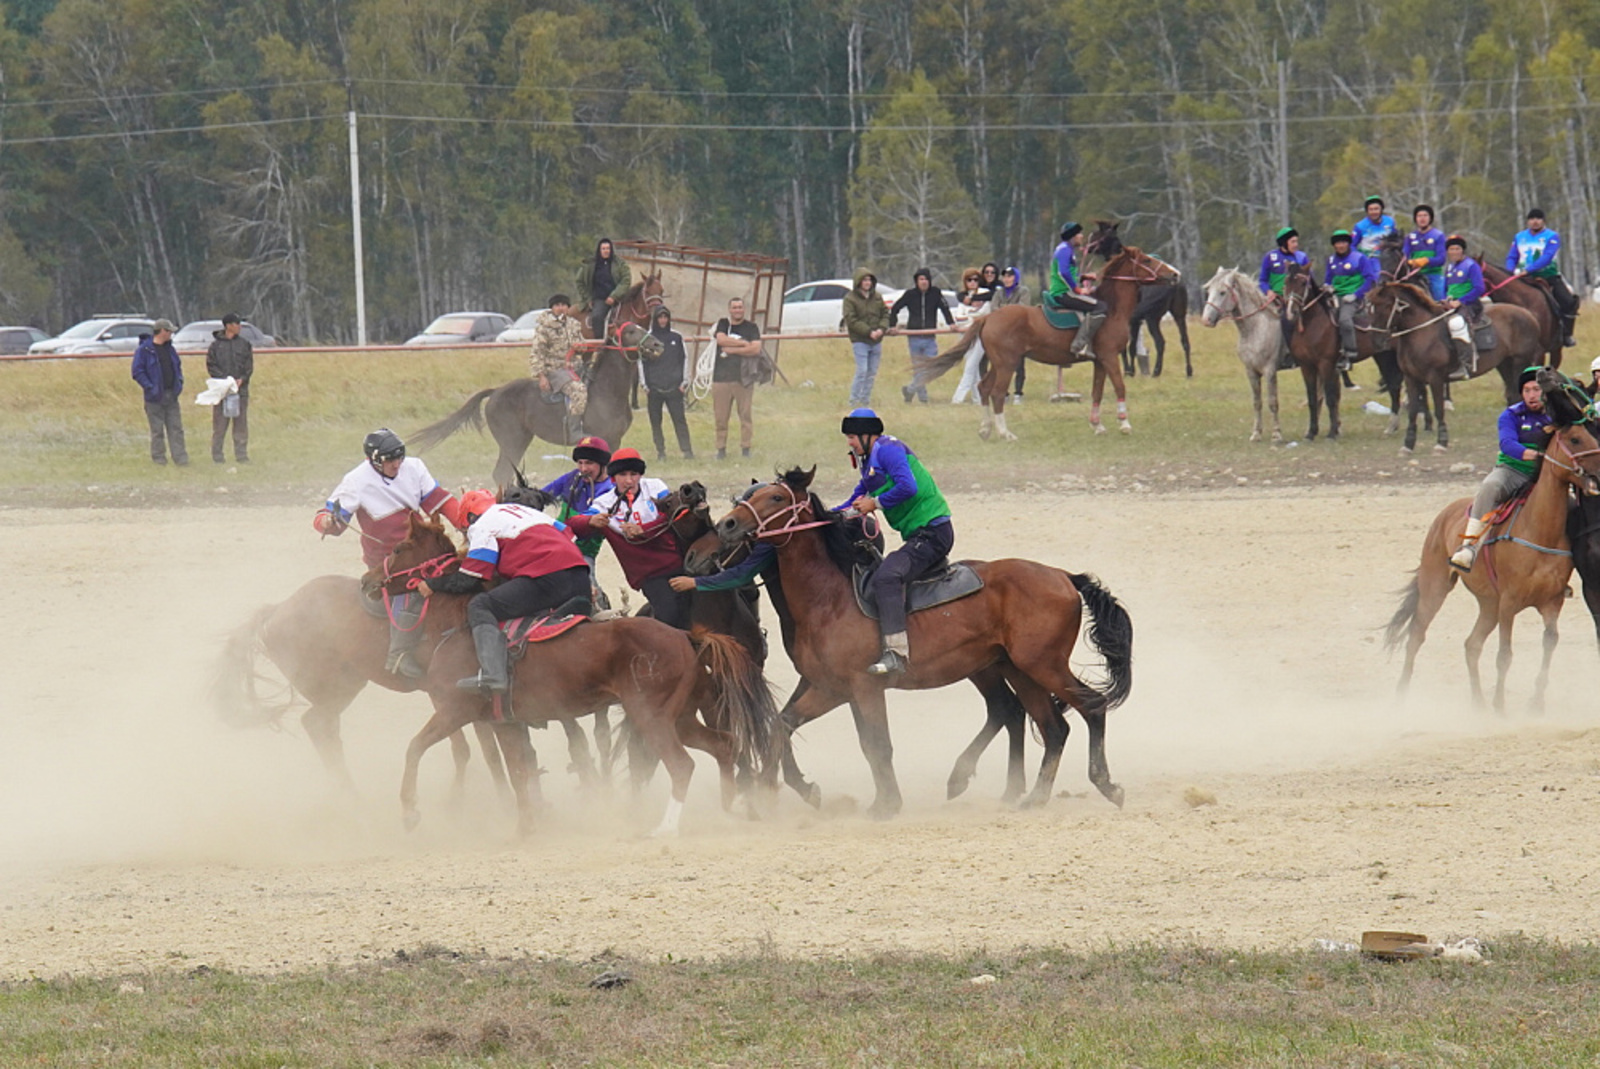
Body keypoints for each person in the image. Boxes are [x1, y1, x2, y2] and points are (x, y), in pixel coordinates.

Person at [313, 429, 461, 678]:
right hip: (389, 560)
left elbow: (440, 501)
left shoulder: (414, 467)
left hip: (422, 552)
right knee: (411, 589)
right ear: (373, 460)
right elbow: (329, 517)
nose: (396, 465)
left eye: (399, 458)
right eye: (390, 461)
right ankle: (399, 654)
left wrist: (467, 520)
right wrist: (326, 523)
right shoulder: (355, 481)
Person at [417, 490, 592, 694]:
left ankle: (494, 674)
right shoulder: (529, 513)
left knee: (481, 605)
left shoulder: (481, 525)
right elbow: (570, 537)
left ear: (469, 518)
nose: (468, 534)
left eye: (465, 530)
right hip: (581, 577)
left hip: (547, 578)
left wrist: (433, 584)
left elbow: (471, 578)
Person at [836, 408, 954, 676]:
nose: (849, 443)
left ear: (868, 435)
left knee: (886, 577)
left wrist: (874, 504)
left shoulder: (888, 450)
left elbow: (908, 486)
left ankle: (897, 654)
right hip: (918, 535)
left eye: (852, 436)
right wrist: (827, 517)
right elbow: (856, 499)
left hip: (933, 533)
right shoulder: (868, 462)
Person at [566, 448, 692, 628]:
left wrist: (644, 530)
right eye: (622, 474)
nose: (629, 480)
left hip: (680, 561)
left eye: (634, 474)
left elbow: (675, 514)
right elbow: (573, 524)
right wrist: (590, 521)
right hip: (649, 572)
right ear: (612, 478)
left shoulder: (655, 487)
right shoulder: (604, 503)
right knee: (669, 615)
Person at [1450, 367, 1553, 572]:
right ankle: (1469, 547)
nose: (1532, 395)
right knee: (1490, 486)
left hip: (1547, 477)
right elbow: (1507, 444)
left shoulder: (1556, 414)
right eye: (1527, 390)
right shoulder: (1511, 415)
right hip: (1513, 472)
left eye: (1536, 389)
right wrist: (1537, 456)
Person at [542, 435, 615, 596]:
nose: (583, 469)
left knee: (587, 586)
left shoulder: (611, 490)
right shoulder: (571, 477)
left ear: (602, 464)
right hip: (556, 543)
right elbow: (544, 495)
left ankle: (602, 610)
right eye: (580, 463)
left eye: (589, 463)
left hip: (583, 551)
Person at [1506, 208, 1579, 347]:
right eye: (1532, 219)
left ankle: (1566, 334)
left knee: (1569, 302)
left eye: (1538, 218)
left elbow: (1547, 257)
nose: (1535, 221)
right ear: (1528, 221)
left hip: (1548, 276)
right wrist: (1510, 272)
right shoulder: (1519, 237)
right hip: (1522, 279)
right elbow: (1512, 256)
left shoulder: (1552, 236)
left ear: (1543, 221)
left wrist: (1528, 270)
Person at [527, 294, 589, 438]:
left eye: (564, 305)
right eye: (557, 305)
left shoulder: (574, 324)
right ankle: (574, 431)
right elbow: (537, 353)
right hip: (556, 370)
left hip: (576, 366)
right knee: (578, 391)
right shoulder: (544, 328)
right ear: (552, 308)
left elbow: (582, 344)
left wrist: (581, 347)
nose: (561, 308)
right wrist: (541, 376)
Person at [892, 267, 954, 404]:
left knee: (931, 367)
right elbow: (895, 308)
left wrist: (951, 323)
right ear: (916, 281)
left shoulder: (936, 293)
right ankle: (923, 399)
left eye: (926, 279)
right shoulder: (910, 294)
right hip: (914, 336)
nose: (924, 282)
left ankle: (909, 389)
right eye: (921, 279)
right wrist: (892, 325)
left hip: (930, 337)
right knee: (919, 369)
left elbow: (945, 308)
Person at [130, 318, 187, 466]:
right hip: (154, 398)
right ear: (162, 331)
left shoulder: (170, 349)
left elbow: (177, 368)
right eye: (169, 331)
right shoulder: (144, 350)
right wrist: (150, 387)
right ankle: (159, 459)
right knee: (157, 431)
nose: (171, 335)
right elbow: (137, 372)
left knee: (176, 429)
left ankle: (181, 459)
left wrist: (178, 384)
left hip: (171, 395)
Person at [1045, 222, 1106, 356]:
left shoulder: (1065, 249)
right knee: (1100, 307)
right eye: (1079, 234)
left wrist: (1083, 276)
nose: (1081, 236)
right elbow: (1063, 273)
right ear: (1072, 236)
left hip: (1063, 291)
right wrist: (1078, 290)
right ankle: (1079, 345)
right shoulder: (1065, 250)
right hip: (1063, 293)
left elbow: (1069, 274)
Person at [711, 297, 762, 458]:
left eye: (740, 307)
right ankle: (721, 449)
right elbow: (720, 339)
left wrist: (732, 350)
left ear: (744, 309)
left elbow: (755, 349)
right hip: (721, 379)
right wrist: (742, 344)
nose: (737, 310)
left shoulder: (751, 327)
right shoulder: (723, 324)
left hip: (743, 379)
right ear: (730, 310)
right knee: (720, 417)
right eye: (734, 307)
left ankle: (746, 448)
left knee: (745, 416)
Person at [643, 306, 694, 460]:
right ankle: (661, 451)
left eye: (665, 317)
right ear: (655, 320)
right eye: (660, 317)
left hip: (674, 387)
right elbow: (642, 363)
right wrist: (645, 385)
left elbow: (684, 359)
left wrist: (684, 382)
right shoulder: (648, 339)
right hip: (654, 388)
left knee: (679, 420)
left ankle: (687, 451)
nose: (663, 320)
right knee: (656, 422)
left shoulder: (676, 338)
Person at [1324, 229, 1380, 370]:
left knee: (1344, 320)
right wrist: (1327, 287)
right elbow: (1328, 279)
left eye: (1343, 242)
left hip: (1352, 298)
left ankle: (1350, 353)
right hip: (1335, 296)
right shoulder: (1331, 260)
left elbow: (1370, 279)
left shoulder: (1359, 258)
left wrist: (1356, 294)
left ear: (1348, 243)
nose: (1340, 245)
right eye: (1338, 243)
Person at [205, 312, 252, 464]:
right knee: (220, 425)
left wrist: (241, 380)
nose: (239, 327)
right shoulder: (215, 346)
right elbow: (211, 366)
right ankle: (217, 456)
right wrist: (225, 381)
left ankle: (241, 456)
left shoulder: (244, 344)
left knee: (240, 425)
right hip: (222, 392)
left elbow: (248, 366)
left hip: (240, 392)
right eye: (236, 324)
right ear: (228, 326)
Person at [843, 268, 891, 406]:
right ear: (858, 282)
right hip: (860, 341)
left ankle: (865, 400)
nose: (867, 283)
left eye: (869, 280)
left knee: (871, 373)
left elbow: (885, 314)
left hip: (876, 341)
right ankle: (853, 401)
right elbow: (851, 320)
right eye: (864, 280)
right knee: (862, 371)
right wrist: (869, 332)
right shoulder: (850, 299)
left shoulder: (877, 297)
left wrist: (882, 329)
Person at [1441, 235, 1487, 381]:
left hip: (1469, 304)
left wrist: (1461, 301)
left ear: (1462, 251)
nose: (1454, 252)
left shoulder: (1471, 265)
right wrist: (1444, 300)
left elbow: (1479, 288)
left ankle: (1466, 364)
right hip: (1450, 304)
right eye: (1451, 249)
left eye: (1457, 249)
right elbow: (1445, 288)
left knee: (1456, 323)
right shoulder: (1449, 267)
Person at [575, 238, 631, 340]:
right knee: (597, 317)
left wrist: (614, 296)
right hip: (600, 299)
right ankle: (599, 343)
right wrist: (588, 298)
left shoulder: (619, 263)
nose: (606, 251)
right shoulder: (590, 265)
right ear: (599, 250)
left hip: (620, 298)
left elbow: (626, 280)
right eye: (603, 248)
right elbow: (579, 282)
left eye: (608, 248)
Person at [993, 265, 1032, 402]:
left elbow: (1023, 308)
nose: (1007, 279)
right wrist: (1010, 311)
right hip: (1002, 333)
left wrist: (1004, 311)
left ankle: (1018, 393)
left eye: (1010, 276)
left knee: (1019, 364)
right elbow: (994, 308)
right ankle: (1004, 392)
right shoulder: (999, 293)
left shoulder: (1023, 291)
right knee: (1002, 364)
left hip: (1018, 333)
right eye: (1005, 276)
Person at [1402, 205, 1447, 301]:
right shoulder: (1410, 237)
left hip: (1433, 275)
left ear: (1430, 218)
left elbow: (1441, 259)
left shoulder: (1438, 235)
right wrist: (1409, 262)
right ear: (1415, 219)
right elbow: (1404, 256)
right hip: (1414, 276)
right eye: (1419, 216)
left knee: (1441, 300)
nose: (1422, 218)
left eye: (1425, 215)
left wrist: (1426, 261)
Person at [1352, 195, 1398, 260]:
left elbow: (1395, 239)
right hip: (1369, 259)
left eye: (1376, 209)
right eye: (1371, 210)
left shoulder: (1390, 221)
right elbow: (1352, 245)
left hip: (1388, 258)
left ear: (1381, 210)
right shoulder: (1360, 226)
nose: (1374, 212)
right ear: (1367, 211)